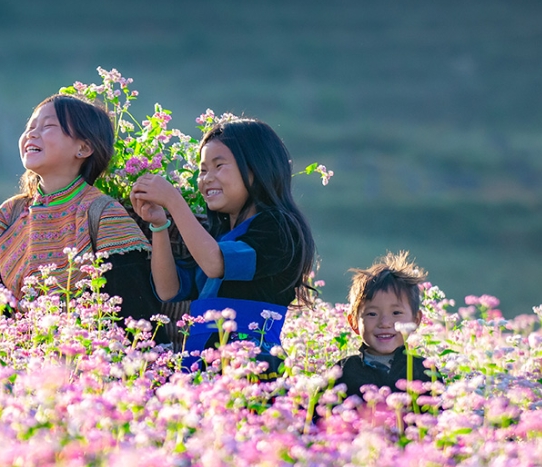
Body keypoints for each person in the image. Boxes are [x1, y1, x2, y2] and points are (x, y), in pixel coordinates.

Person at [0, 93, 167, 342]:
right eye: (30, 127)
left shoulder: (105, 215)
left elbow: (135, 317)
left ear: (83, 148)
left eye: (48, 126)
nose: (32, 134)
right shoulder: (8, 216)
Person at [130, 118, 315, 375]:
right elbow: (168, 289)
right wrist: (160, 225)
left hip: (250, 364)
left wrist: (174, 200)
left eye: (219, 166)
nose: (207, 178)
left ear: (256, 169)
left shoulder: (279, 227)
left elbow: (216, 263)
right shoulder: (218, 238)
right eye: (203, 170)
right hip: (200, 361)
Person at [334, 251, 438, 400]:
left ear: (415, 320)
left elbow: (439, 417)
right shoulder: (344, 371)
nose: (385, 323)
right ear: (354, 322)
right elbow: (319, 417)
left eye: (396, 313)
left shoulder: (425, 371)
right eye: (372, 314)